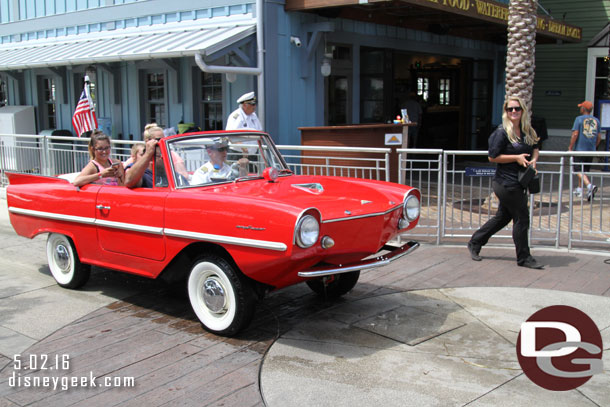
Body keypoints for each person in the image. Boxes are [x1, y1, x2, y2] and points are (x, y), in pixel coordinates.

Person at [467, 96, 543, 269]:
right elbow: (492, 157)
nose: (514, 112)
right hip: (506, 183)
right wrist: (515, 157)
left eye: (517, 109)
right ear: (506, 112)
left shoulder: (527, 131)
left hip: (519, 182)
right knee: (522, 218)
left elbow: (536, 147)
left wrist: (534, 161)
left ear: (523, 110)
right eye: (510, 109)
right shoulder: (501, 132)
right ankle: (524, 258)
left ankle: (475, 242)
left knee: (503, 217)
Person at [568, 100, 601, 201]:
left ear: (583, 109)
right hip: (590, 150)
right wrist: (594, 146)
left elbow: (575, 134)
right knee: (584, 171)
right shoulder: (596, 121)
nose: (580, 108)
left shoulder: (578, 119)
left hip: (579, 149)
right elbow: (599, 137)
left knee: (577, 169)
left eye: (581, 107)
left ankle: (590, 186)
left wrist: (570, 147)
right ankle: (579, 189)